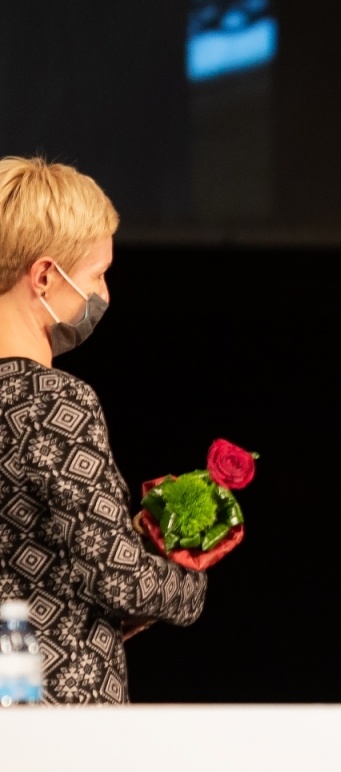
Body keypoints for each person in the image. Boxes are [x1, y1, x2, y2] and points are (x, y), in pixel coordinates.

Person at [0, 157, 206, 703]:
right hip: (53, 713)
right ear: (44, 276)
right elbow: (120, 579)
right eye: (96, 274)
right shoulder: (53, 402)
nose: (104, 293)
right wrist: (189, 575)